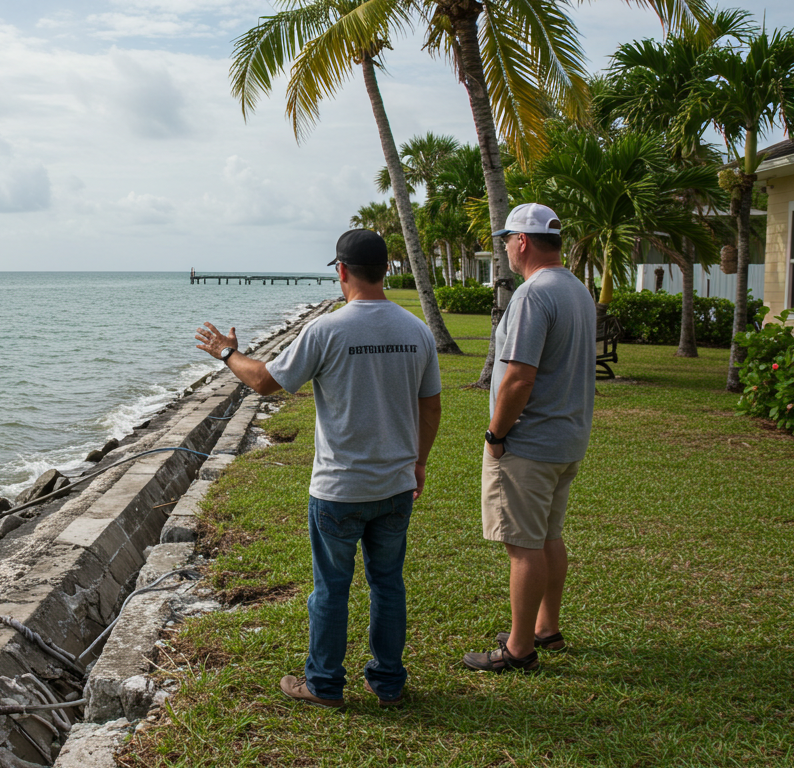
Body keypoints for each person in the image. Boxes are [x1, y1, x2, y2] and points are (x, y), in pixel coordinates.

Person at [194, 229, 442, 708]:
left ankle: (325, 684)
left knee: (331, 588)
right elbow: (430, 408)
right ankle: (388, 681)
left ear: (342, 271)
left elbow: (264, 383)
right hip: (394, 484)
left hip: (339, 488)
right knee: (388, 583)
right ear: (386, 270)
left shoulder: (327, 329)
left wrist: (226, 352)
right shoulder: (416, 331)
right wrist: (419, 462)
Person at [463, 202, 594, 674]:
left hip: (529, 442)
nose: (504, 250)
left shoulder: (532, 295)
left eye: (505, 241)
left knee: (523, 545)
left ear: (522, 241)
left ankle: (519, 648)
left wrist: (496, 435)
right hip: (566, 437)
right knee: (547, 536)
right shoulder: (576, 289)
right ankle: (546, 627)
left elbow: (519, 377)